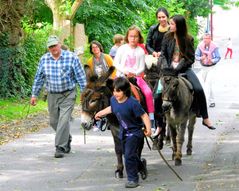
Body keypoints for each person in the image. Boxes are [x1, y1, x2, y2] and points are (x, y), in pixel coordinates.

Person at [30, 35, 87, 158]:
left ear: (59, 44)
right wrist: (34, 94)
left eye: (55, 45)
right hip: (52, 94)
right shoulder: (44, 59)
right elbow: (38, 78)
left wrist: (85, 93)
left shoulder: (71, 57)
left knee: (64, 120)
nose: (53, 48)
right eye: (50, 46)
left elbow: (81, 77)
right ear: (48, 48)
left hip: (68, 94)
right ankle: (66, 138)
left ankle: (60, 147)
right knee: (53, 121)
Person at [160, 15, 216, 130]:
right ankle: (159, 124)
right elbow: (163, 55)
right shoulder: (166, 37)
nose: (169, 25)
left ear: (179, 26)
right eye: (170, 23)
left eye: (172, 24)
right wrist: (167, 68)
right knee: (157, 94)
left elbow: (190, 58)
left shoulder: (188, 38)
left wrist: (178, 68)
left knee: (199, 89)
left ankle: (205, 117)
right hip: (168, 70)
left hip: (184, 69)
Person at [94, 77, 151, 188]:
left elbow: (144, 115)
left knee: (129, 156)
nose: (116, 93)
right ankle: (141, 165)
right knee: (128, 154)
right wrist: (100, 113)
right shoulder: (113, 100)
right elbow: (111, 108)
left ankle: (133, 179)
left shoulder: (133, 103)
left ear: (125, 91)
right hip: (124, 132)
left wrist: (148, 129)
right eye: (114, 90)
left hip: (135, 132)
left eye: (118, 91)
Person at [113, 25, 156, 131]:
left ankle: (151, 117)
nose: (133, 38)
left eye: (136, 36)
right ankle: (103, 118)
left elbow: (141, 67)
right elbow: (115, 63)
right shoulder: (122, 49)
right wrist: (124, 71)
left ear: (139, 37)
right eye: (131, 36)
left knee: (148, 92)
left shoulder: (141, 51)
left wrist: (134, 73)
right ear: (127, 37)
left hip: (135, 77)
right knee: (105, 91)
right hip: (121, 77)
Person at [145, 7, 170, 139]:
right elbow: (147, 44)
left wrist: (163, 53)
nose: (161, 19)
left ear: (167, 17)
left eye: (163, 17)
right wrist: (153, 52)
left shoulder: (172, 29)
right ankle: (157, 124)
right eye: (159, 17)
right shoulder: (153, 29)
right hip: (153, 57)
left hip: (167, 59)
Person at [195, 33, 221, 108]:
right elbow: (196, 56)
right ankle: (212, 101)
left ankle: (205, 102)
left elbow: (218, 57)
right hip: (203, 67)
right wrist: (201, 58)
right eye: (204, 39)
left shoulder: (214, 46)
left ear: (210, 39)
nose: (205, 40)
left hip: (212, 67)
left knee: (208, 83)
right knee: (206, 85)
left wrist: (212, 60)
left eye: (207, 39)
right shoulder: (200, 46)